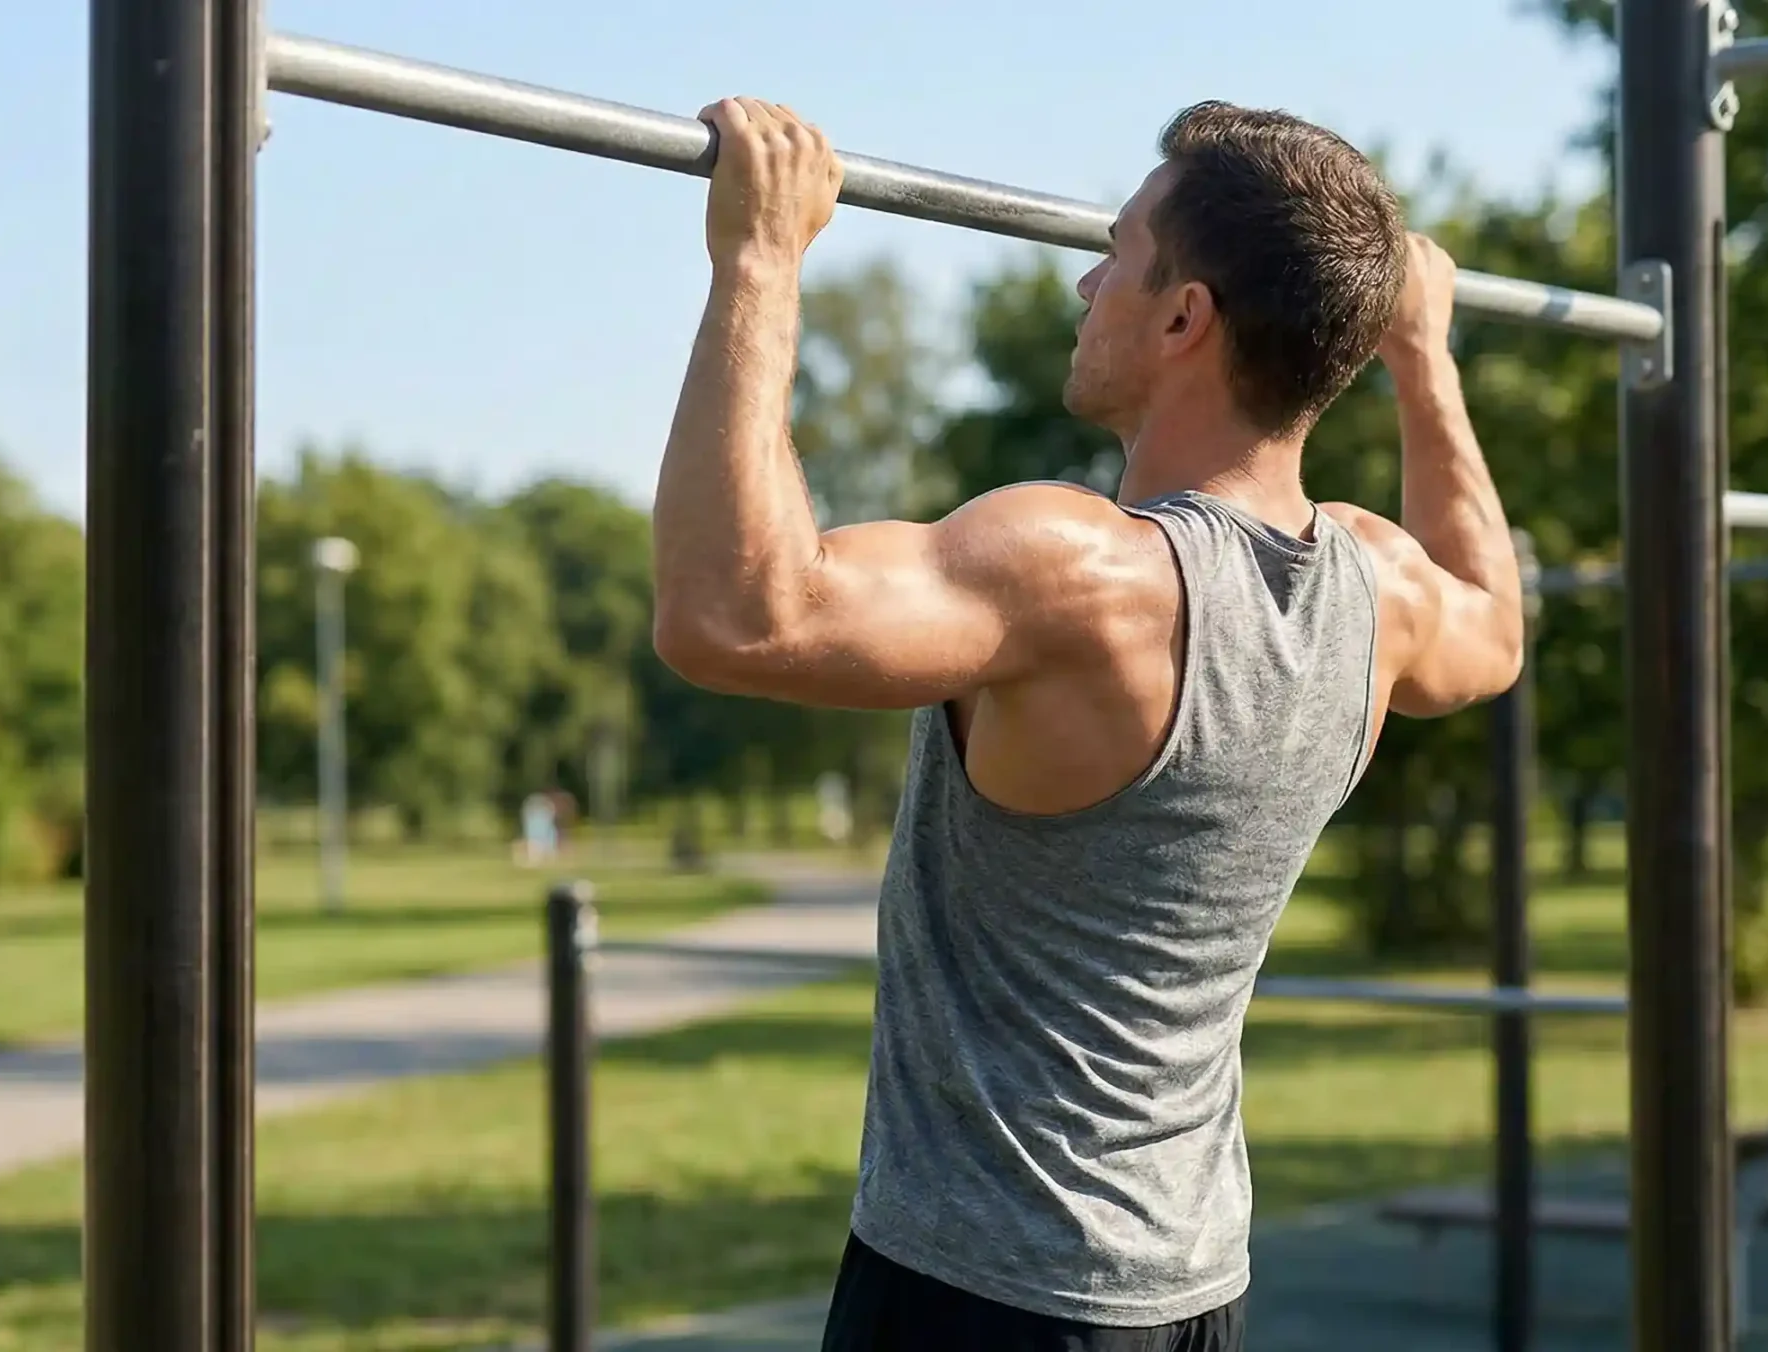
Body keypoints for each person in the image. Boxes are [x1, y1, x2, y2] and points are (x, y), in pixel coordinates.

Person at [651, 95, 1526, 1352]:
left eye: (1116, 249)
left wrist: (759, 260)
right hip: (1188, 1287)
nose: (1084, 282)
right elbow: (1493, 624)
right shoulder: (1375, 590)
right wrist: (1423, 361)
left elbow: (729, 615)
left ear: (1184, 317)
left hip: (982, 1293)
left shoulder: (1081, 572)